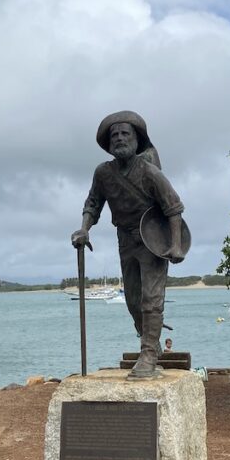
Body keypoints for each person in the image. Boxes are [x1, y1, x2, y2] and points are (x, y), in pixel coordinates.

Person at [71, 111, 186, 379]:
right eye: (115, 135)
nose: (120, 138)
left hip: (153, 240)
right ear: (109, 143)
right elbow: (93, 203)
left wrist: (177, 245)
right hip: (125, 239)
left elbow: (173, 207)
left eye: (126, 134)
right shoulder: (103, 173)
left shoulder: (149, 172)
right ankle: (151, 342)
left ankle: (148, 354)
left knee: (151, 299)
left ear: (137, 139)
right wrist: (84, 229)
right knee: (133, 301)